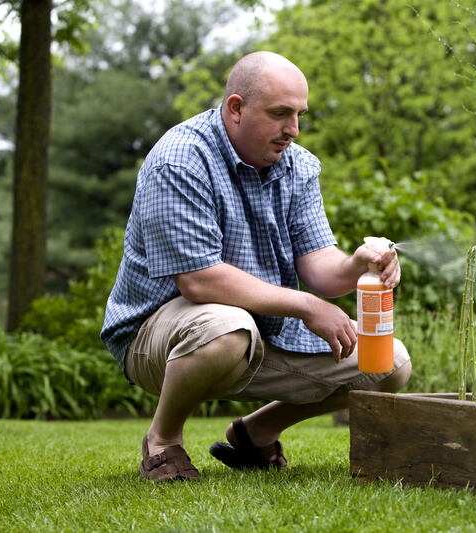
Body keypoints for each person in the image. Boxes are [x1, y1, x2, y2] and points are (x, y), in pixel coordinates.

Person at [100, 51, 412, 482]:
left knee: (389, 363)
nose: (293, 130)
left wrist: (357, 264)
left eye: (299, 114)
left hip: (257, 331)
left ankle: (255, 434)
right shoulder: (180, 159)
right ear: (236, 108)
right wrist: (307, 305)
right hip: (158, 335)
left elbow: (320, 264)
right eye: (280, 113)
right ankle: (163, 441)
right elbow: (198, 278)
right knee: (228, 327)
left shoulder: (297, 166)